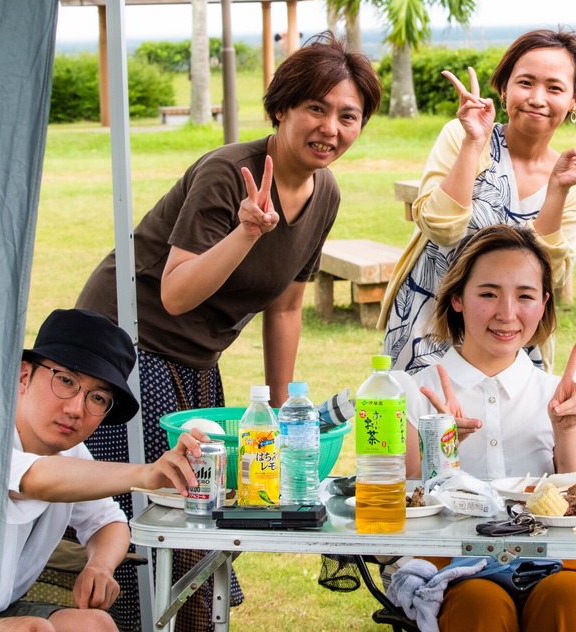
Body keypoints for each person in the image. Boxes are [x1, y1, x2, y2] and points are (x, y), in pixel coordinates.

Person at [75, 32, 381, 631]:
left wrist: (292, 416)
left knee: (203, 510)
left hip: (194, 357)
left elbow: (287, 307)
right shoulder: (228, 173)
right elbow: (175, 291)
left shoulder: (325, 194)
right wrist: (245, 232)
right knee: (160, 512)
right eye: (315, 108)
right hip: (127, 342)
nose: (330, 128)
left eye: (348, 116)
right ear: (282, 109)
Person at [399, 224, 576, 631]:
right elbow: (410, 506)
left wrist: (569, 427)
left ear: (544, 304)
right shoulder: (419, 391)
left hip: (558, 559)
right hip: (458, 560)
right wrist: (444, 450)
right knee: (478, 603)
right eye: (488, 293)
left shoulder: (555, 391)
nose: (507, 313)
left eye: (525, 296)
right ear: (458, 299)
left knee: (567, 596)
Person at [379, 28, 576, 374]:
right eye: (525, 82)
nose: (537, 98)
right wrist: (472, 142)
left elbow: (550, 277)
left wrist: (557, 189)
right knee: (424, 426)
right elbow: (440, 229)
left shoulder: (575, 182)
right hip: (430, 325)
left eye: (554, 88)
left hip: (511, 335)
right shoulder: (463, 136)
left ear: (574, 99)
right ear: (504, 86)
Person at [0, 308, 205, 632]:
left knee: (96, 624)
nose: (75, 409)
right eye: (65, 381)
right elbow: (38, 479)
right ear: (24, 376)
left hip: (1, 606)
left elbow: (108, 521)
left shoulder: (72, 453)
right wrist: (145, 473)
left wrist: (100, 566)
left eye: (96, 397)